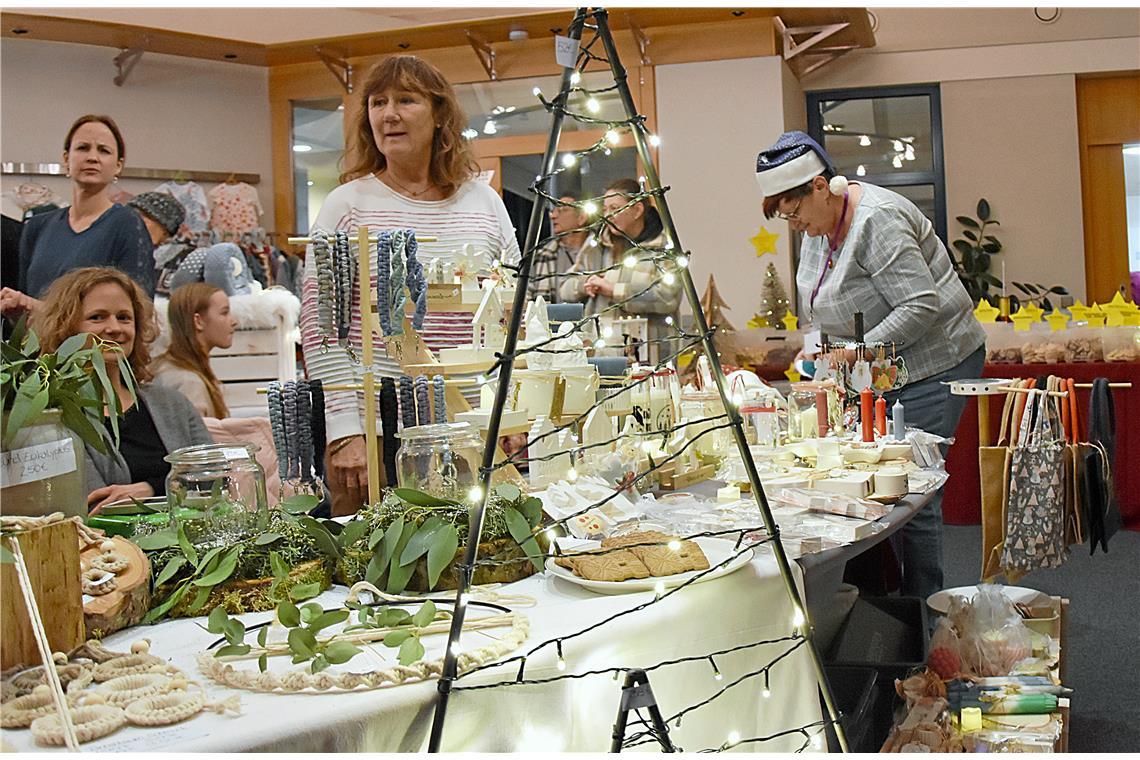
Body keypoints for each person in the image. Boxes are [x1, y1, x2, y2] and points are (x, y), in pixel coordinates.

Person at [754, 130, 987, 600]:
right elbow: (820, 300)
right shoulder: (821, 226)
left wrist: (853, 354)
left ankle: (920, 611)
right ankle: (875, 602)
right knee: (864, 481)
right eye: (784, 216)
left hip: (935, 364)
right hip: (879, 370)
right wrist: (814, 348)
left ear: (820, 187)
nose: (794, 223)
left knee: (912, 491)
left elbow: (920, 306)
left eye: (794, 211)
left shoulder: (878, 221)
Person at [300, 54, 521, 516]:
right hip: (379, 430)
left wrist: (512, 408)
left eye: (406, 99)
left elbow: (512, 312)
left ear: (440, 113)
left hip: (475, 425)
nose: (388, 114)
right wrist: (345, 430)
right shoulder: (347, 205)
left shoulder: (484, 203)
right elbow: (322, 325)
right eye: (378, 102)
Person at [30, 267, 212, 512]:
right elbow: (98, 504)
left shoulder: (173, 404)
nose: (114, 327)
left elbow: (213, 476)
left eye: (124, 317)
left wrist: (147, 489)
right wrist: (172, 487)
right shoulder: (54, 416)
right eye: (97, 317)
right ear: (66, 328)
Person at [1, 116, 153, 322]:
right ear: (66, 158)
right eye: (83, 148)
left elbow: (137, 311)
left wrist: (37, 308)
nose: (92, 157)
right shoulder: (37, 227)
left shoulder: (127, 224)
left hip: (95, 353)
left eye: (103, 150)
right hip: (37, 352)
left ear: (118, 166)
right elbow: (22, 300)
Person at [558, 177, 681, 363]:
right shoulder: (596, 247)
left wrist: (614, 290)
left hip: (652, 358)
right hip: (604, 358)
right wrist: (585, 284)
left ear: (637, 210)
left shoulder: (662, 248)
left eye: (615, 209)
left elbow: (668, 297)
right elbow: (564, 287)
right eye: (605, 209)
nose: (608, 215)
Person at [151, 282, 237, 418]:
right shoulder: (188, 383)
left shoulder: (170, 368)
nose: (234, 321)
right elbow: (194, 438)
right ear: (198, 321)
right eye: (224, 313)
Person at [528, 191, 594, 303]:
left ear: (582, 218)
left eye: (562, 210)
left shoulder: (599, 249)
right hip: (552, 319)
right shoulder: (543, 255)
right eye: (553, 211)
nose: (553, 216)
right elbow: (528, 294)